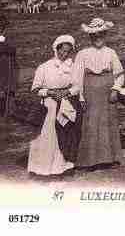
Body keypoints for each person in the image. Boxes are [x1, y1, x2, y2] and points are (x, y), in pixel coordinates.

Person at [71, 18, 124, 171]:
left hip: (108, 94)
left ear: (105, 35)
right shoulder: (83, 54)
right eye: (94, 35)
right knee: (91, 124)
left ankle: (111, 158)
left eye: (101, 34)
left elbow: (119, 74)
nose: (98, 38)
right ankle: (89, 161)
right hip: (90, 94)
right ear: (90, 37)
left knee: (109, 123)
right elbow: (76, 77)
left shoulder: (111, 52)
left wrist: (116, 89)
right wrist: (80, 96)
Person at [28, 35, 79, 179]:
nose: (65, 54)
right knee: (47, 136)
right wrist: (50, 92)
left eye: (68, 51)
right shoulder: (44, 67)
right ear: (56, 49)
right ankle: (42, 169)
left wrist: (66, 92)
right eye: (62, 51)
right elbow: (36, 89)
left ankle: (61, 168)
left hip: (65, 104)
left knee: (63, 135)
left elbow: (77, 86)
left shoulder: (72, 67)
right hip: (49, 106)